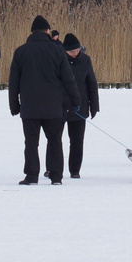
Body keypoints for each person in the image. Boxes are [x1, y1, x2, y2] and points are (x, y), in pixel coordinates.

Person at [8, 15, 79, 185]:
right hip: (53, 106)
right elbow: (68, 79)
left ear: (32, 32)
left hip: (29, 105)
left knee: (31, 142)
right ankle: (56, 176)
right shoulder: (57, 51)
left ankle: (32, 176)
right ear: (47, 31)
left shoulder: (20, 51)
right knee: (55, 141)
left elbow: (13, 82)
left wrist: (14, 105)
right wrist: (75, 100)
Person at [62, 33, 99, 179]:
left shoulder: (85, 60)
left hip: (80, 106)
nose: (75, 53)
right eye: (72, 51)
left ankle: (75, 170)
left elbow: (92, 84)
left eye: (77, 50)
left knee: (77, 140)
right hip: (60, 106)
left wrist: (94, 105)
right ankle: (52, 168)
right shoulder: (58, 60)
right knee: (55, 139)